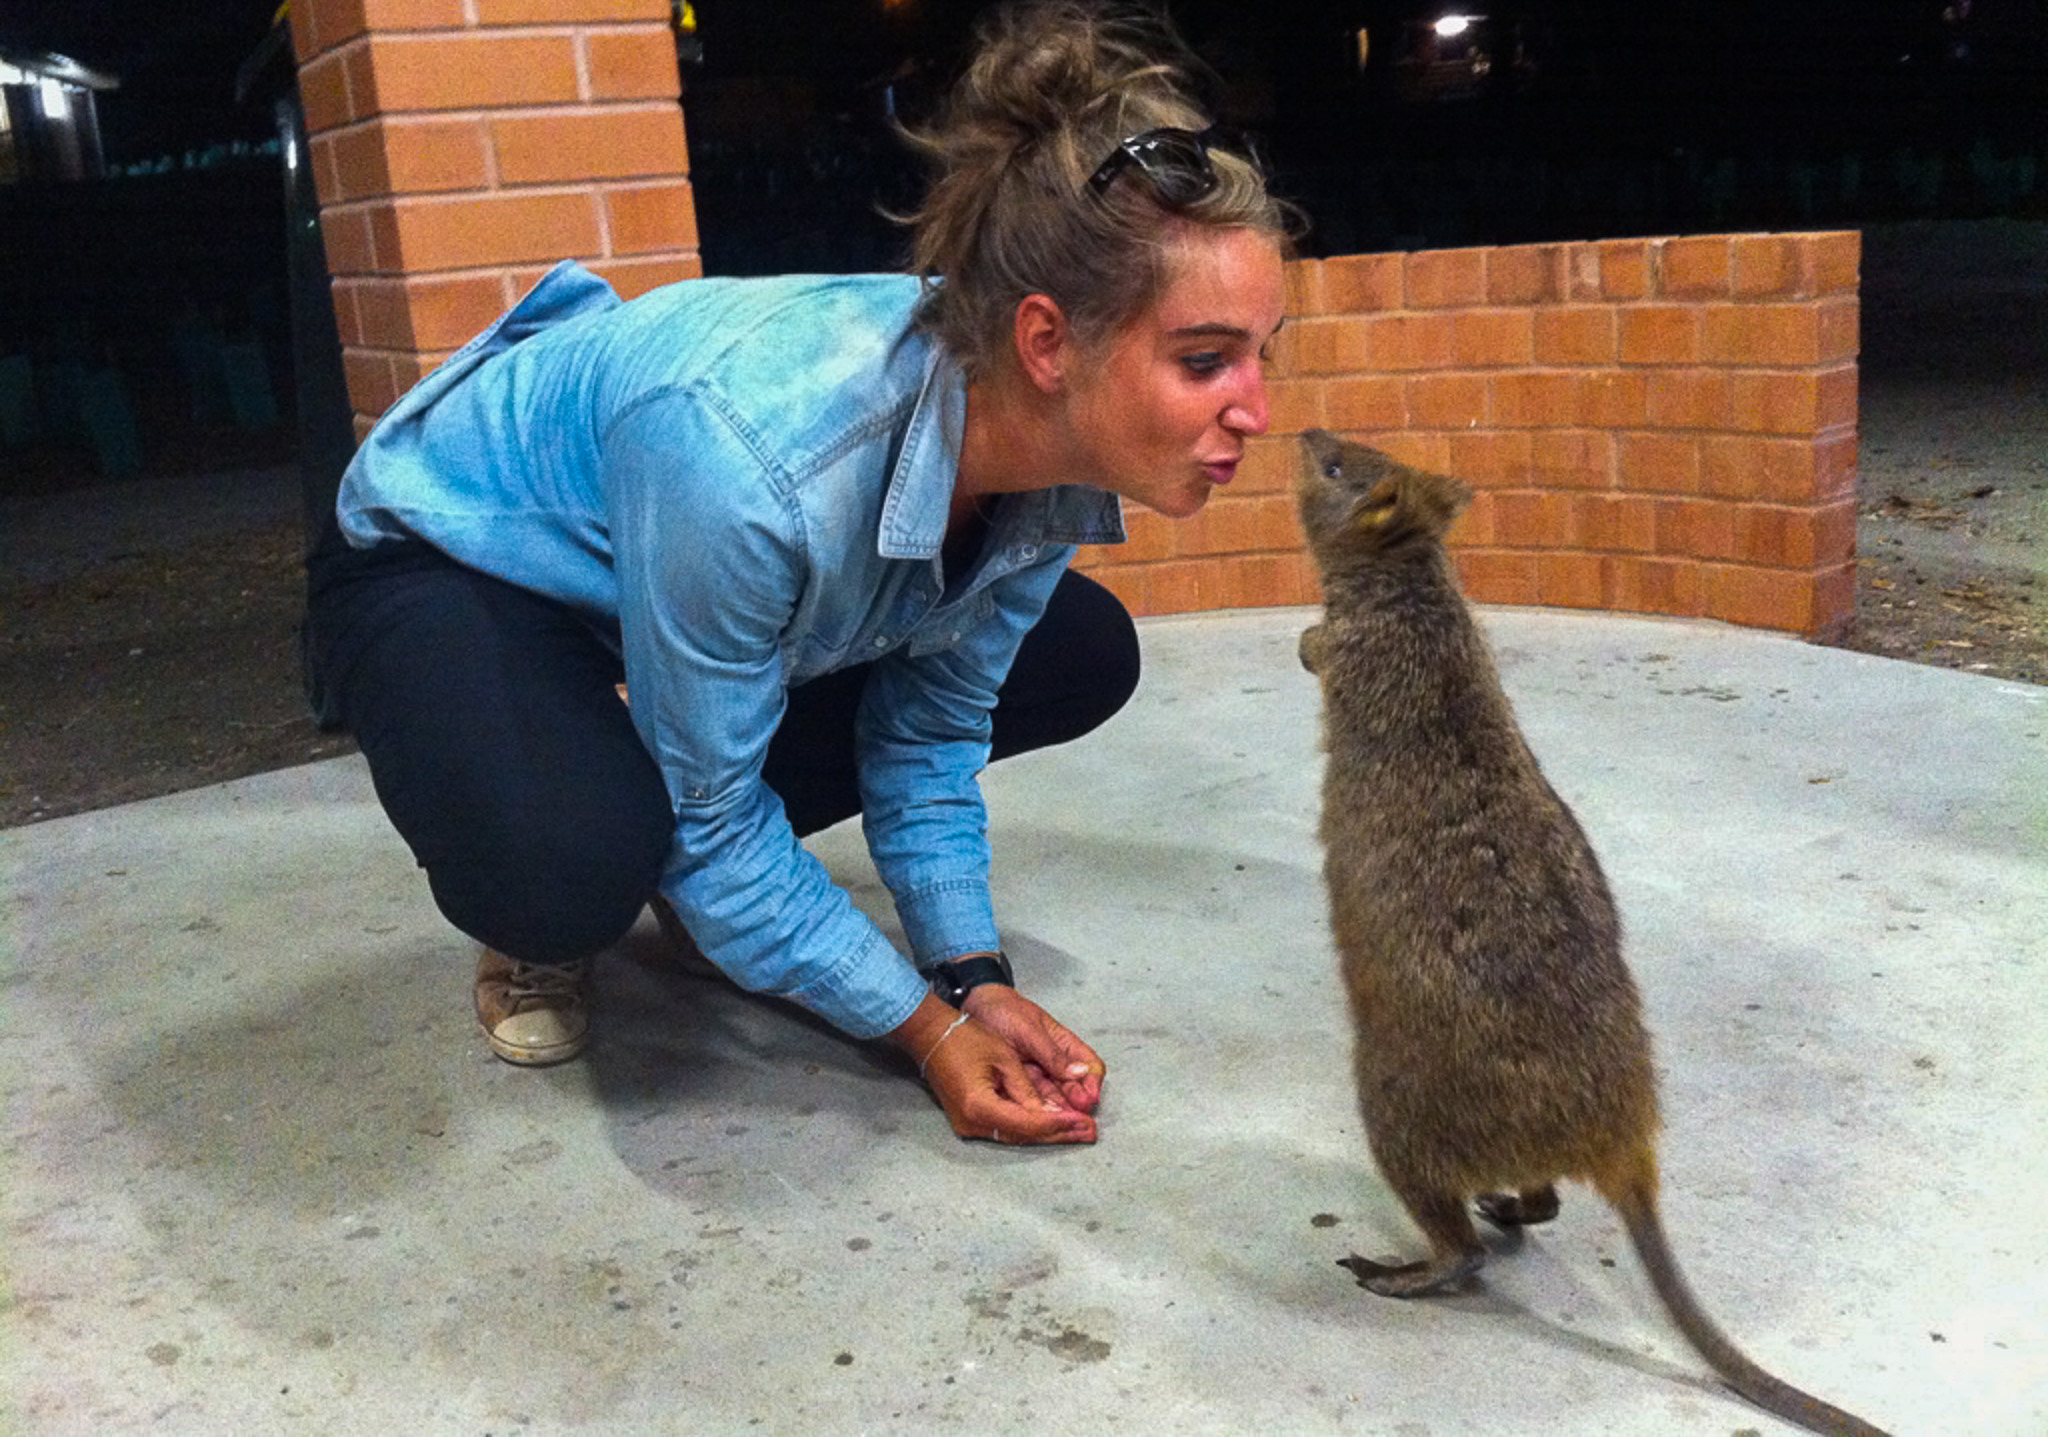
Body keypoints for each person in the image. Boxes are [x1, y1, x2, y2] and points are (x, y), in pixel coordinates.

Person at [303, 0, 1291, 1147]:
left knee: (1077, 649)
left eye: (1261, 355)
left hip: (642, 553)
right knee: (573, 866)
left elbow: (928, 737)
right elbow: (722, 810)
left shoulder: (1052, 464)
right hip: (447, 550)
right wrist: (920, 1031)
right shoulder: (753, 459)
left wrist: (970, 976)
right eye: (1203, 359)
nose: (1254, 411)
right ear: (1044, 342)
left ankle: (681, 857)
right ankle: (574, 866)